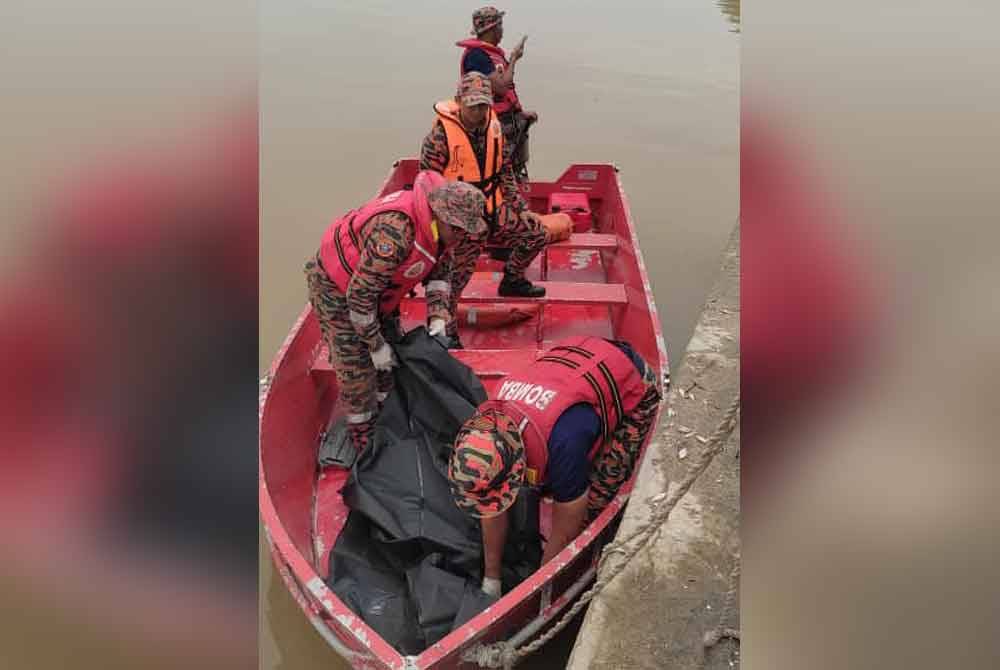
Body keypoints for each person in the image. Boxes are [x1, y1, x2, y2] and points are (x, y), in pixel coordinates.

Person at [448, 336, 662, 597]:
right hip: (576, 362)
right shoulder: (485, 420)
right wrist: (491, 578)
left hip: (631, 379)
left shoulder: (563, 444)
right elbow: (490, 505)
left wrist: (537, 592)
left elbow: (564, 533)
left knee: (593, 505)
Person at [305, 171, 487, 452]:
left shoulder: (442, 232)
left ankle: (387, 409)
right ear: (441, 217)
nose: (463, 236)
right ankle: (363, 436)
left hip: (377, 291)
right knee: (356, 366)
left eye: (467, 230)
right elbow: (359, 299)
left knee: (391, 358)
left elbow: (441, 272)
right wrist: (375, 345)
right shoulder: (394, 235)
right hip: (337, 290)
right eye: (459, 229)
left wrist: (438, 314)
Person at [420, 72, 548, 345]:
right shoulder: (439, 137)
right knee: (454, 279)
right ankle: (447, 331)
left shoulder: (494, 127)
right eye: (473, 105)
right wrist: (440, 231)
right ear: (459, 101)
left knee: (536, 233)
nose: (479, 112)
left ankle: (513, 280)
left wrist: (521, 208)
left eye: (483, 105)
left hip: (492, 208)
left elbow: (504, 171)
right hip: (459, 220)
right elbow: (427, 186)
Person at [457, 6, 537, 181]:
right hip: (491, 123)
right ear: (492, 29)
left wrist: (520, 114)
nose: (502, 30)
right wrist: (514, 58)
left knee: (514, 167)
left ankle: (514, 188)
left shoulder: (490, 54)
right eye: (500, 26)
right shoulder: (476, 56)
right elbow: (501, 87)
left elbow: (506, 93)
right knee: (499, 169)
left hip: (507, 121)